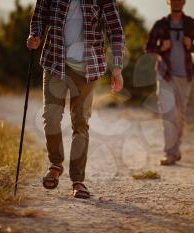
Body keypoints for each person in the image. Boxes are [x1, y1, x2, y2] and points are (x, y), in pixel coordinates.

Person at [27, 0, 125, 198]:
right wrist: (34, 35)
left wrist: (117, 67)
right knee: (51, 117)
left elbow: (115, 30)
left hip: (87, 68)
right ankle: (56, 163)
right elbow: (39, 17)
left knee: (80, 123)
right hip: (56, 62)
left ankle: (77, 181)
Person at [146, 0, 194, 165]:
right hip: (165, 75)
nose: (177, 2)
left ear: (184, 2)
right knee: (168, 113)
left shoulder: (192, 24)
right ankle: (169, 153)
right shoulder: (160, 24)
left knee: (179, 115)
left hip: (185, 76)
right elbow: (149, 48)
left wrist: (192, 45)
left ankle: (176, 149)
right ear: (168, 1)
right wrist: (161, 48)